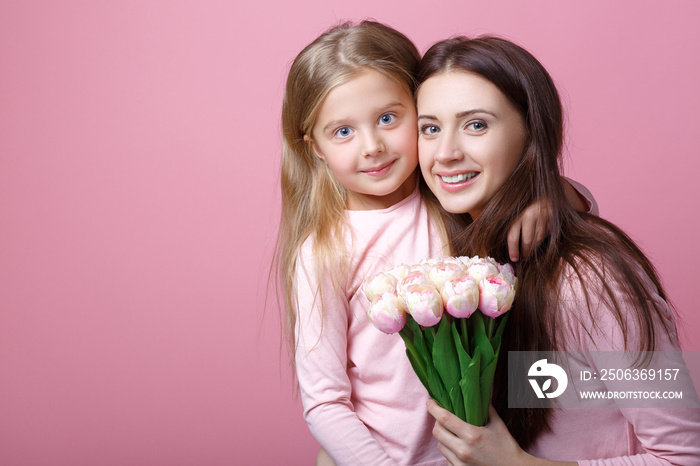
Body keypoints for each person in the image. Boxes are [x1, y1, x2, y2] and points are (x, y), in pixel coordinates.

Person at [274, 21, 594, 465]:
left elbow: (584, 212)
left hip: (483, 454)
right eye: (343, 132)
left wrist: (548, 196)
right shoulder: (325, 252)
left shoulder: (449, 198)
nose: (372, 146)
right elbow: (325, 402)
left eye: (388, 118)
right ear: (315, 149)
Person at [415, 36, 700, 465]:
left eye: (476, 125)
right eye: (430, 128)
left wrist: (516, 464)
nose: (446, 153)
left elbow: (685, 456)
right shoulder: (457, 260)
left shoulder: (590, 281)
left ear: (532, 132)